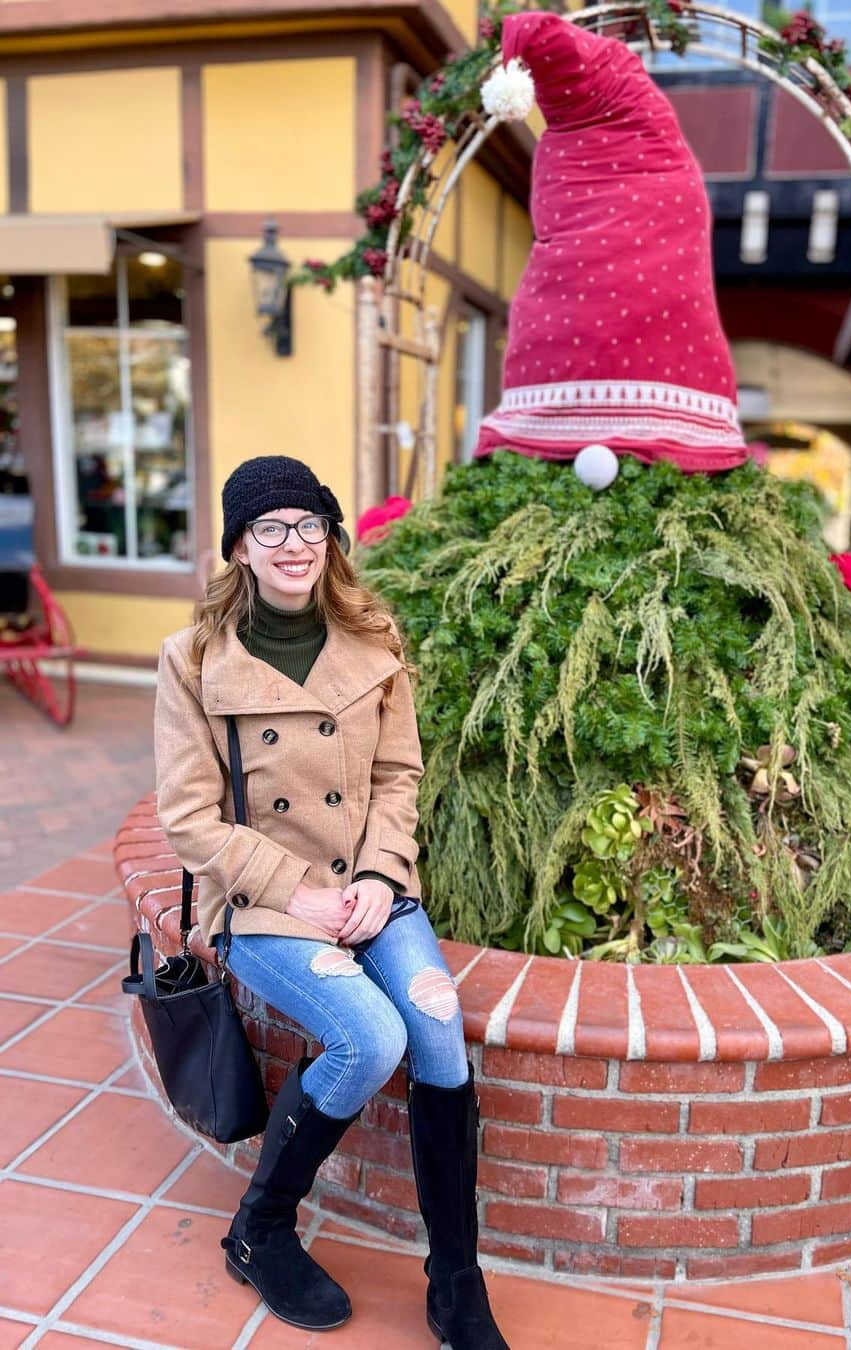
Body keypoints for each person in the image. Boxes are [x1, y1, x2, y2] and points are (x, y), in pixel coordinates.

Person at [154, 455, 508, 1347]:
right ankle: (260, 1229)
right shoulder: (194, 661)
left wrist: (381, 880)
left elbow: (399, 777)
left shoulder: (375, 643)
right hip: (264, 901)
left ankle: (455, 1278)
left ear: (330, 537)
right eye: (269, 529)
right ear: (238, 547)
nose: (293, 545)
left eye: (309, 525)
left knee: (436, 1030)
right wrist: (302, 894)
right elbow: (189, 819)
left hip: (370, 884)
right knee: (371, 1036)